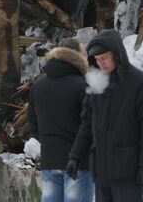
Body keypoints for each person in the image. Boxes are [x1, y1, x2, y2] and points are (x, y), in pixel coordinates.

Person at [67, 29, 143, 202]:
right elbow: (87, 124)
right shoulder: (96, 83)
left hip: (128, 171)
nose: (101, 63)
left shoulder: (141, 83)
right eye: (97, 59)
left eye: (105, 58)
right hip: (101, 170)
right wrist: (75, 156)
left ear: (117, 54)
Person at [28, 40, 94, 202]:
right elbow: (91, 124)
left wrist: (48, 142)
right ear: (76, 56)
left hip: (50, 160)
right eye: (84, 54)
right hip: (78, 162)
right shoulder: (82, 86)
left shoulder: (38, 86)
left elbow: (32, 123)